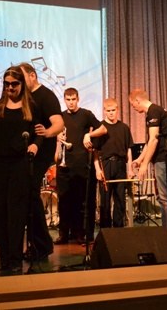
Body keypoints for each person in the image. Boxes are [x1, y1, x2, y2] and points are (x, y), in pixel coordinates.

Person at [0, 66, 43, 274]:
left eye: (14, 84)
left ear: (22, 84)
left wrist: (35, 145)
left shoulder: (31, 107)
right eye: (6, 84)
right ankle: (4, 259)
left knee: (17, 213)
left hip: (20, 165)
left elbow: (39, 133)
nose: (10, 88)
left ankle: (15, 259)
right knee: (0, 213)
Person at [18, 62, 64, 261]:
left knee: (30, 193)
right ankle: (37, 244)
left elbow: (59, 124)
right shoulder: (24, 97)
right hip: (27, 152)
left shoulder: (46, 96)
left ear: (32, 75)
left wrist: (46, 133)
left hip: (41, 152)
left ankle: (42, 244)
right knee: (27, 195)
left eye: (22, 78)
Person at [53, 88, 107, 244]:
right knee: (64, 201)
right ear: (64, 100)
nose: (71, 103)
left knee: (81, 201)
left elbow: (103, 129)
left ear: (78, 99)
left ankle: (80, 233)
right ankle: (64, 234)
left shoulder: (86, 114)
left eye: (73, 99)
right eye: (68, 100)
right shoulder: (61, 117)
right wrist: (57, 137)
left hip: (81, 165)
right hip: (64, 166)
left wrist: (89, 134)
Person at [129, 89, 167, 244]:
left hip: (164, 159)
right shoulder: (153, 112)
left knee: (166, 197)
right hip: (160, 159)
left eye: (132, 104)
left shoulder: (154, 111)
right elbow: (149, 141)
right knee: (163, 197)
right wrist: (139, 159)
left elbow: (154, 140)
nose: (133, 108)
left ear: (138, 100)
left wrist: (144, 165)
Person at [93, 98, 134, 228]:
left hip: (120, 165)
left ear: (117, 110)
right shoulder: (100, 128)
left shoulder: (124, 128)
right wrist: (97, 169)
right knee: (105, 201)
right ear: (104, 111)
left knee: (120, 199)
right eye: (108, 110)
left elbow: (128, 149)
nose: (111, 113)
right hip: (105, 165)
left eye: (113, 110)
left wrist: (130, 169)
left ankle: (118, 229)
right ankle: (105, 230)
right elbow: (95, 151)